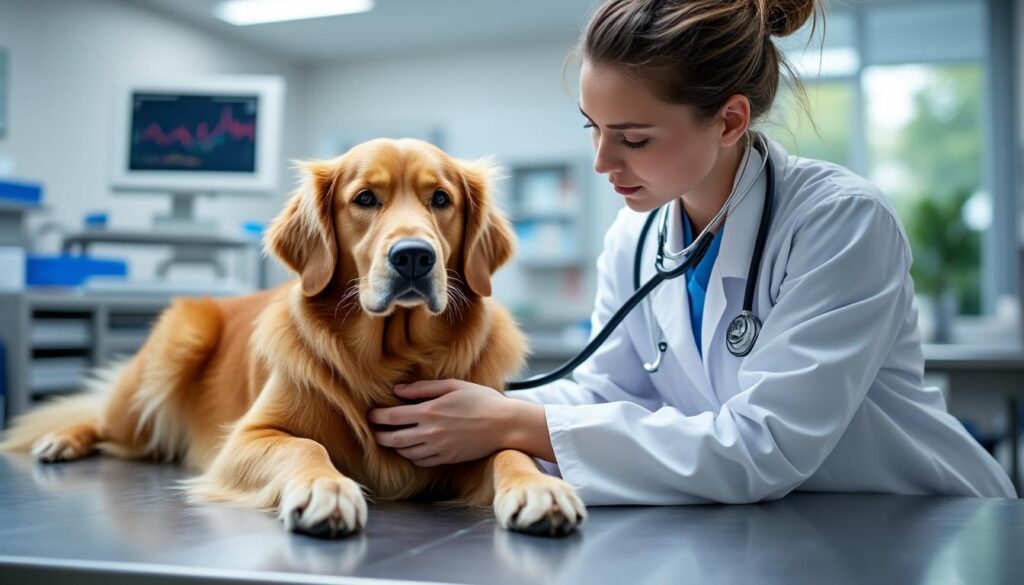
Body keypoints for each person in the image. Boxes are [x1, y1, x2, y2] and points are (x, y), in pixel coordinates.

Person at [367, 0, 1016, 504]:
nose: (601, 162)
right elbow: (607, 389)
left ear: (730, 120)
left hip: (920, 525)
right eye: (593, 130)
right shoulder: (637, 236)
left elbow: (765, 446)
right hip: (774, 528)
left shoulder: (840, 222)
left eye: (634, 138)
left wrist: (511, 423)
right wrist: (466, 407)